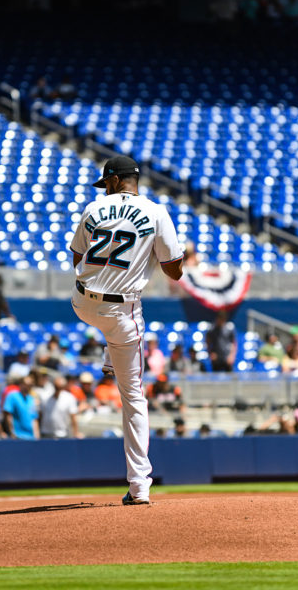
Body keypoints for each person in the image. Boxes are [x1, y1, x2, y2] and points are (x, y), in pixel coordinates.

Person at [70, 155, 183, 505]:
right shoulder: (156, 212)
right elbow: (174, 273)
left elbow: (76, 258)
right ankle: (139, 487)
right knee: (133, 395)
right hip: (122, 311)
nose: (105, 189)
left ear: (116, 180)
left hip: (82, 303)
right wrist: (148, 254)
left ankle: (109, 352)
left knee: (114, 325)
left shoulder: (93, 209)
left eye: (107, 183)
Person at [3, 374, 40, 439]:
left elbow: (34, 419)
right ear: (20, 384)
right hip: (18, 436)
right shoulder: (12, 396)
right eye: (26, 384)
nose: (28, 387)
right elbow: (8, 415)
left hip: (31, 437)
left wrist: (37, 436)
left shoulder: (31, 399)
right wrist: (12, 432)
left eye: (30, 385)